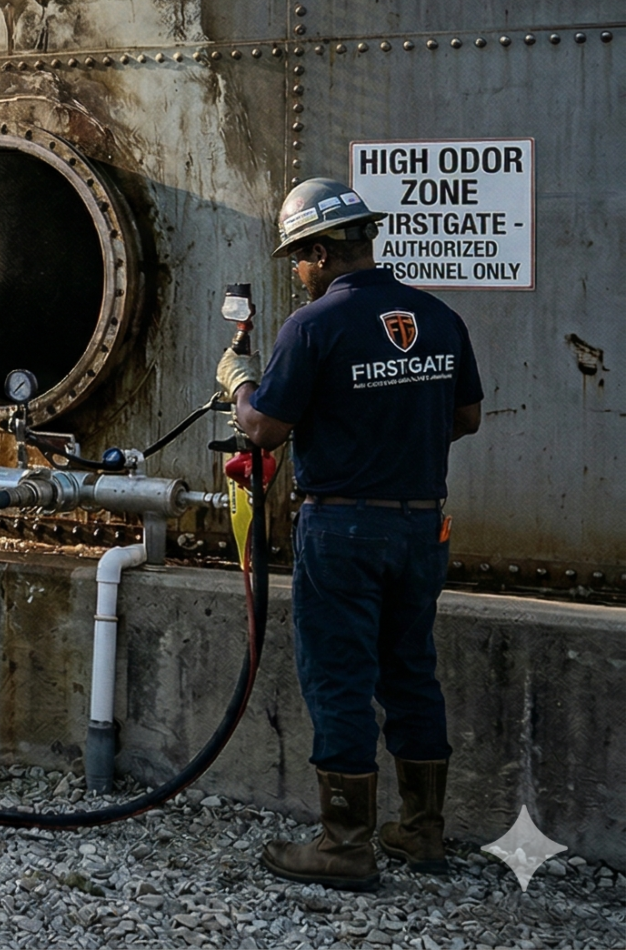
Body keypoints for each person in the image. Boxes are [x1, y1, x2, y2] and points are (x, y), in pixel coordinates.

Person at [224, 178, 483, 891]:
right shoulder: (436, 316)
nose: (298, 274)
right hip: (422, 524)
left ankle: (345, 843)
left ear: (317, 251)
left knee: (339, 676)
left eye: (297, 260)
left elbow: (267, 429)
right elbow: (466, 418)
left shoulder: (312, 327)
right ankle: (422, 833)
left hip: (343, 526)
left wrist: (239, 386)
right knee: (410, 670)